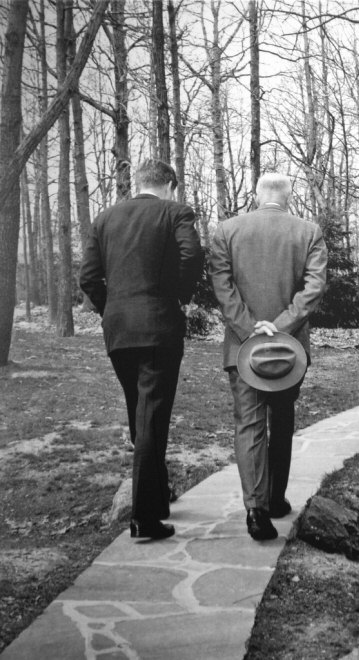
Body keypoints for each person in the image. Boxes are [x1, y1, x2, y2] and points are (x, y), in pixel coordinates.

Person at [80, 158, 204, 541]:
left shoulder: (104, 219)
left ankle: (158, 497)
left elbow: (87, 277)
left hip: (118, 331)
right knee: (152, 416)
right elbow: (192, 256)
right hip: (158, 327)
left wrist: (111, 308)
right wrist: (176, 297)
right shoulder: (175, 212)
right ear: (169, 185)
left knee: (141, 413)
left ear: (139, 183)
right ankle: (144, 517)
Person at [209, 172, 327, 541]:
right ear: (289, 198)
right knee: (282, 418)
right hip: (290, 348)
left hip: (243, 349)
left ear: (256, 195)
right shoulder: (308, 232)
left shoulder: (226, 231)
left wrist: (249, 330)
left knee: (249, 423)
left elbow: (222, 287)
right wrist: (280, 327)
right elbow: (314, 287)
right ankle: (275, 499)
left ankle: (255, 510)